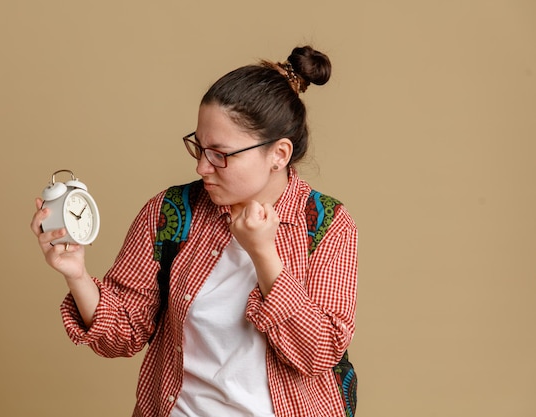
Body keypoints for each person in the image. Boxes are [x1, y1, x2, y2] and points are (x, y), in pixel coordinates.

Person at [30, 45, 358, 417]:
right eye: (199, 148)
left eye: (220, 154)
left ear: (279, 154)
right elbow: (122, 334)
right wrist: (76, 274)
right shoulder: (171, 212)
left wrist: (263, 254)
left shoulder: (325, 223)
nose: (203, 166)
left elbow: (317, 353)